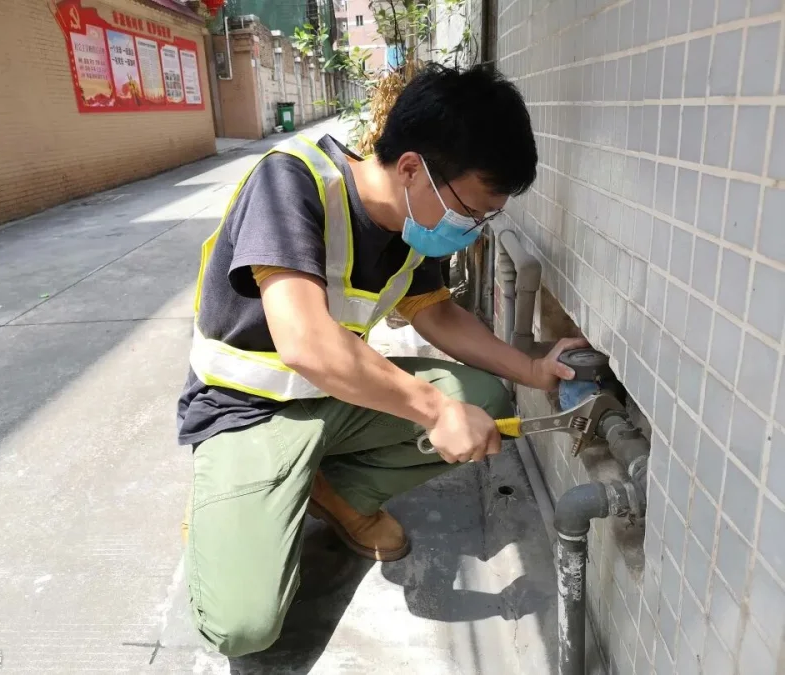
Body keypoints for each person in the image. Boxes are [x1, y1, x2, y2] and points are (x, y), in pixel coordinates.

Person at [177, 63, 585, 657]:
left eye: (484, 219)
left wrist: (532, 369)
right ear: (412, 168)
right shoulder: (291, 183)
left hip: (331, 400)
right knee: (242, 627)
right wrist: (434, 409)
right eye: (469, 212)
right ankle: (227, 510)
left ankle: (336, 493)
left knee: (485, 401)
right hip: (246, 412)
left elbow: (438, 315)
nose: (472, 232)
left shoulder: (410, 225)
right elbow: (306, 342)